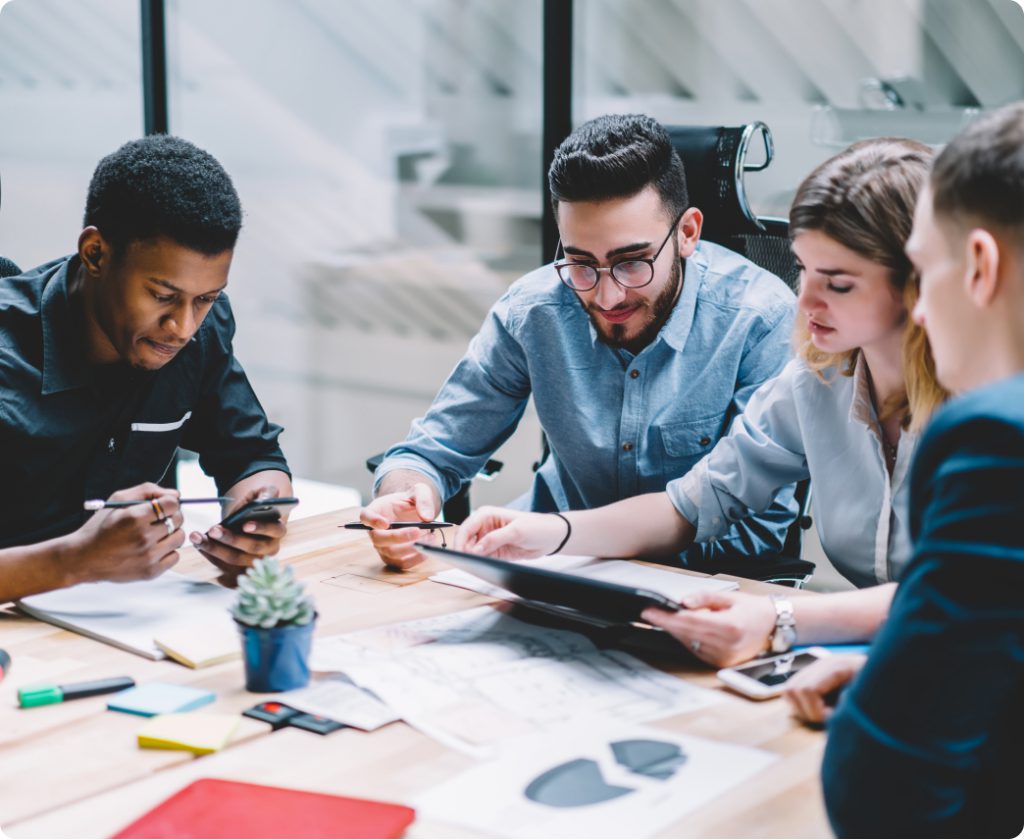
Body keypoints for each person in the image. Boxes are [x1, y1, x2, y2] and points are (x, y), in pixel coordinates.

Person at [455, 137, 947, 666]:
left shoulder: (987, 404)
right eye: (802, 270)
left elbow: (973, 592)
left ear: (919, 282)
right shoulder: (818, 380)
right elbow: (693, 503)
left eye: (839, 283)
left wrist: (780, 619)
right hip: (895, 654)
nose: (803, 302)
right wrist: (549, 534)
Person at [363, 114, 798, 571]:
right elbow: (427, 453)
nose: (606, 295)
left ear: (687, 233)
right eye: (581, 263)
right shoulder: (534, 310)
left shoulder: (760, 320)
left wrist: (574, 543)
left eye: (632, 262)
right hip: (541, 566)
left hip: (695, 590)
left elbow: (757, 534)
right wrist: (407, 501)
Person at [790, 103, 1024, 838]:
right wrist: (906, 674)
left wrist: (899, 704)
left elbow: (884, 792)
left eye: (925, 270)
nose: (921, 312)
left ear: (981, 265)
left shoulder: (996, 437)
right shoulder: (818, 380)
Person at [0, 135, 292, 602]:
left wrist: (258, 515)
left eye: (205, 298)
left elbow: (253, 458)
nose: (182, 326)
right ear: (95, 253)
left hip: (134, 629)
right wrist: (77, 560)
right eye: (162, 296)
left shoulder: (200, 331)